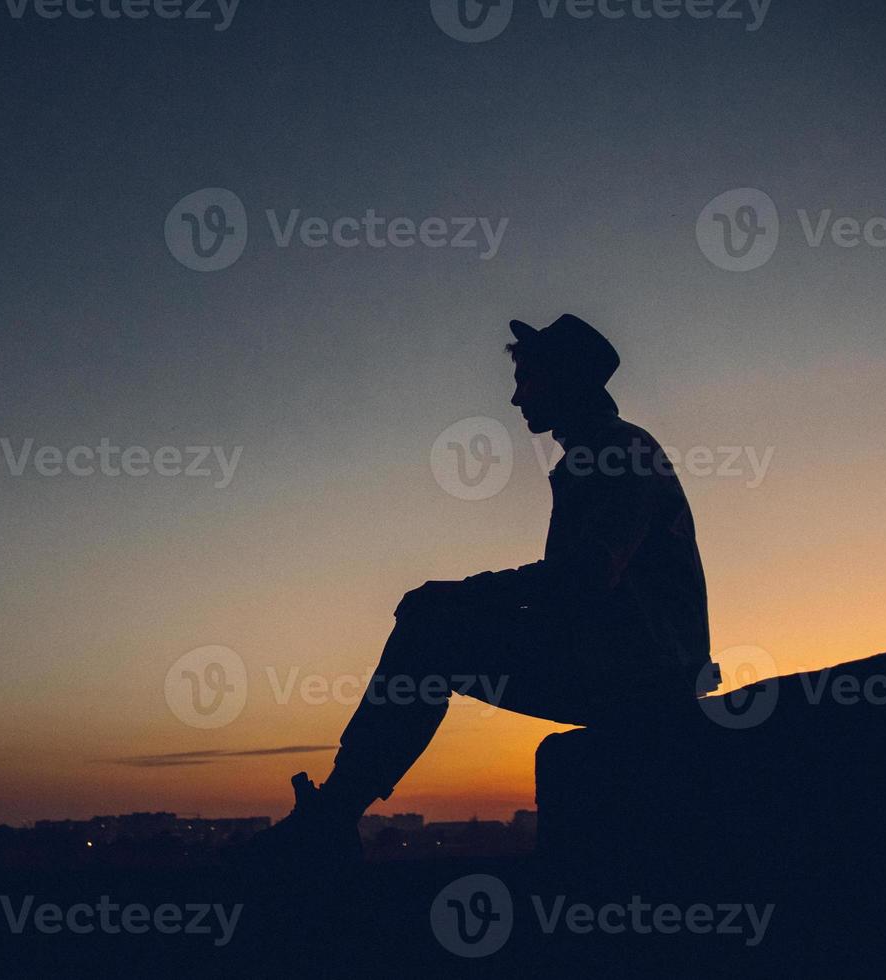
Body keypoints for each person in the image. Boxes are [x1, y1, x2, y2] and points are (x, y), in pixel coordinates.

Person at [241, 314, 712, 867]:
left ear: (566, 379)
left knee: (430, 631)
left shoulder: (614, 450)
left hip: (639, 675)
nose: (516, 398)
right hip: (628, 663)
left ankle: (331, 817)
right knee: (432, 626)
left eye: (528, 378)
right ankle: (333, 814)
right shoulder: (602, 450)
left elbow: (583, 579)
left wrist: (461, 594)